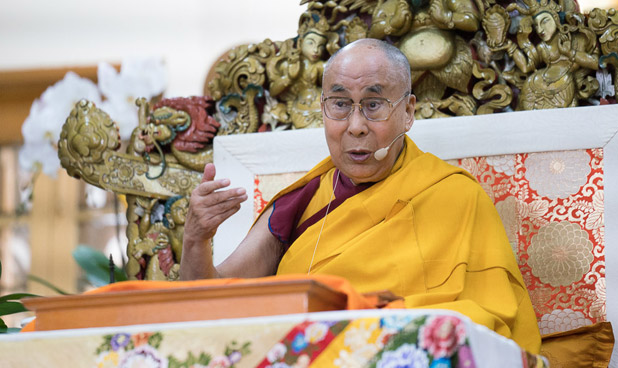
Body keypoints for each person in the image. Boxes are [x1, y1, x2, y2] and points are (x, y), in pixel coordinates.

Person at [179, 38, 541, 352]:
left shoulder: (456, 196)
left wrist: (368, 328)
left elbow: (490, 321)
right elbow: (208, 307)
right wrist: (196, 239)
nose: (355, 127)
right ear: (323, 109)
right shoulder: (301, 202)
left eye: (374, 105)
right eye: (340, 105)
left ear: (409, 112)